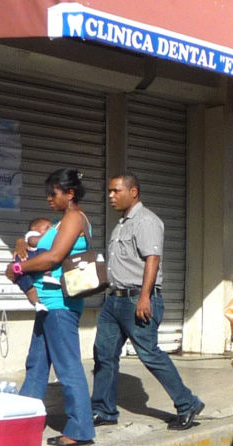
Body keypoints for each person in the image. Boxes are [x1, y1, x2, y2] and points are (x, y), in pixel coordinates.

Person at [90, 173, 204, 430]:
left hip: (136, 300)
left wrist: (144, 296)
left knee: (149, 354)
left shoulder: (147, 221)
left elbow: (153, 259)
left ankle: (187, 403)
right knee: (104, 354)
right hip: (114, 301)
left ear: (133, 192)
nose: (110, 196)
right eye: (109, 191)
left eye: (116, 191)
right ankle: (103, 410)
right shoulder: (121, 224)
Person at [5, 168, 96, 446]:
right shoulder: (60, 222)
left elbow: (53, 258)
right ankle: (22, 418)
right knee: (36, 365)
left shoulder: (73, 218)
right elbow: (36, 242)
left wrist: (18, 267)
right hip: (48, 305)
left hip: (60, 304)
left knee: (68, 368)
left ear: (70, 194)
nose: (48, 198)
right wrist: (22, 242)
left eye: (53, 193)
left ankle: (80, 429)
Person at [10, 217, 54, 311]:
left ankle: (38, 304)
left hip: (27, 266)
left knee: (30, 288)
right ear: (34, 228)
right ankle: (37, 303)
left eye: (52, 228)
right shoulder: (33, 235)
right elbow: (33, 241)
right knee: (29, 288)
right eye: (47, 228)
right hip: (26, 261)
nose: (50, 230)